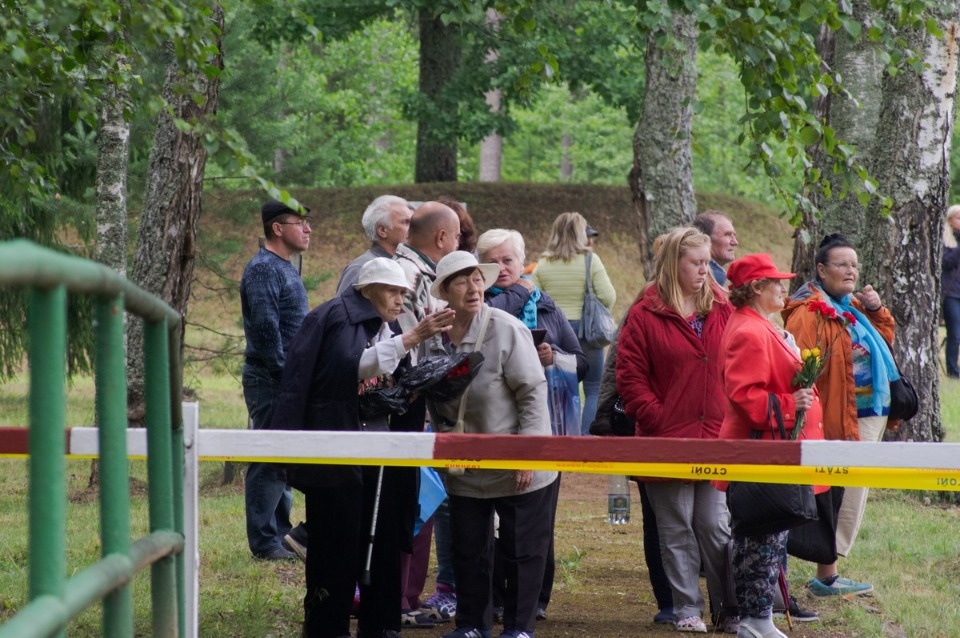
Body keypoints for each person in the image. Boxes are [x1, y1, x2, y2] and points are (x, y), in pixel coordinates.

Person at [271, 257, 455, 638]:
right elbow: (352, 367)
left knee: (385, 536)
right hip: (340, 452)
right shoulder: (340, 318)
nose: (400, 301)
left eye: (404, 293)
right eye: (393, 292)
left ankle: (381, 623)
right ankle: (327, 626)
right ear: (367, 290)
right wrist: (410, 339)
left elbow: (386, 375)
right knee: (335, 543)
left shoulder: (380, 324)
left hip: (379, 451)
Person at [427, 251, 557, 638]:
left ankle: (518, 628)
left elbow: (533, 393)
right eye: (462, 281)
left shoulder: (506, 328)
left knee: (522, 549)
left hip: (518, 457)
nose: (474, 287)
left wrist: (526, 455)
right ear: (446, 291)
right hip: (465, 463)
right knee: (468, 549)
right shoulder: (434, 334)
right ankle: (471, 625)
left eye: (477, 279)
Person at [615, 227, 737, 634]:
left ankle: (728, 608)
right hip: (664, 437)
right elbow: (629, 377)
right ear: (674, 264)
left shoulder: (722, 305)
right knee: (675, 528)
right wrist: (656, 417)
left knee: (714, 525)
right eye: (697, 263)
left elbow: (738, 358)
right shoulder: (644, 312)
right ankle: (687, 608)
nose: (706, 270)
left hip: (717, 435)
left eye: (708, 263)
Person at [478, 228, 587, 623]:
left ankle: (534, 599)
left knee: (536, 520)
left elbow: (582, 362)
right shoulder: (477, 306)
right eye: (493, 261)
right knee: (491, 523)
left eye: (509, 260)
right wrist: (522, 289)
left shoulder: (546, 305)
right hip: (490, 430)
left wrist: (551, 355)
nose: (503, 268)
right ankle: (492, 598)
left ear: (521, 261)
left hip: (544, 427)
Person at [717, 253, 827, 638]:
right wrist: (788, 403)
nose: (784, 288)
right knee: (758, 537)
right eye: (776, 282)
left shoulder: (760, 326)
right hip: (758, 452)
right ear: (757, 289)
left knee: (769, 537)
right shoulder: (748, 331)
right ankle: (754, 619)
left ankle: (760, 617)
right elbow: (744, 396)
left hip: (771, 450)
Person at [782, 233, 899, 597]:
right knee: (835, 491)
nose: (850, 271)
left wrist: (877, 309)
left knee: (848, 491)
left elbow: (884, 339)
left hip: (865, 410)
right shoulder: (809, 311)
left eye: (854, 265)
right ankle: (825, 573)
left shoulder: (851, 304)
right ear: (821, 269)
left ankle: (828, 571)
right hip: (834, 412)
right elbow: (798, 365)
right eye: (842, 264)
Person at [390, 200, 462, 629]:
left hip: (403, 402)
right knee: (415, 504)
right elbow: (412, 346)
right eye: (454, 237)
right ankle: (401, 598)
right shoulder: (414, 277)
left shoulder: (399, 268)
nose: (456, 244)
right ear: (440, 238)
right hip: (405, 405)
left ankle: (402, 594)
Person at [240, 198, 311, 561]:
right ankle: (265, 541)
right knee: (268, 455)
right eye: (299, 223)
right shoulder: (264, 269)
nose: (308, 229)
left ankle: (280, 533)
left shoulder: (283, 267)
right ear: (277, 229)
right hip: (271, 379)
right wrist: (287, 378)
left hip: (286, 378)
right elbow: (267, 332)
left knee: (281, 455)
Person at [532, 212, 616, 435]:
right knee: (593, 387)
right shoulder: (590, 260)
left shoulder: (543, 264)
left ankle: (558, 435)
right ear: (581, 233)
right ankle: (586, 440)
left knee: (556, 387)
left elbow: (534, 299)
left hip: (554, 332)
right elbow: (608, 297)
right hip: (586, 332)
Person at [336, 195, 412, 294]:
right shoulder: (361, 268)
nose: (414, 228)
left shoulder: (407, 265)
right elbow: (343, 309)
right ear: (382, 230)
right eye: (406, 222)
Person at [692, 211, 739, 287]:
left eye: (734, 235)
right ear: (705, 238)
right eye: (727, 235)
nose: (735, 242)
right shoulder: (713, 278)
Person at [942, 205, 960, 378]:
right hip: (951, 294)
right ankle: (953, 372)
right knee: (954, 333)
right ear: (950, 220)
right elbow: (945, 263)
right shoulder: (946, 241)